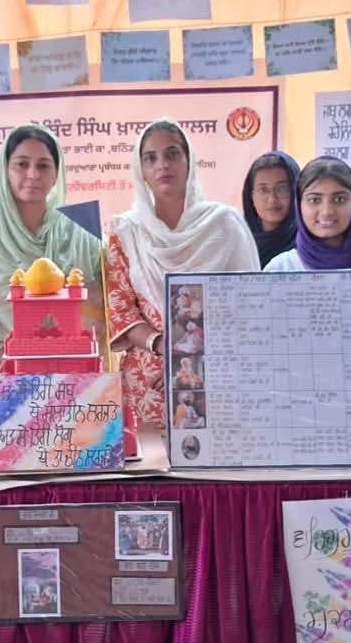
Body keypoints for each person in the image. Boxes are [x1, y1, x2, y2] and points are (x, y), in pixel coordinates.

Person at [106, 118, 260, 424]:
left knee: (214, 451)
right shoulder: (126, 231)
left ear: (189, 161)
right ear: (141, 171)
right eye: (150, 158)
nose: (162, 165)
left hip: (215, 373)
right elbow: (120, 311)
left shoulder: (223, 225)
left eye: (173, 154)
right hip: (149, 382)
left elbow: (247, 305)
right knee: (147, 455)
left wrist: (192, 357)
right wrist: (165, 347)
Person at [0, 124, 102, 372]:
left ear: (56, 174)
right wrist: (15, 361)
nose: (33, 174)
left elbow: (104, 309)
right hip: (8, 378)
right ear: (5, 170)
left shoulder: (81, 232)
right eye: (22, 165)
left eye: (43, 166)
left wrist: (66, 359)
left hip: (76, 376)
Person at [264, 157, 351, 271]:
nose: (327, 211)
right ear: (299, 205)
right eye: (314, 200)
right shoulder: (280, 269)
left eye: (339, 199)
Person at [241, 151, 300, 269]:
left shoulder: (309, 247)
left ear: (297, 192)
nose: (272, 199)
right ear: (251, 196)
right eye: (263, 190)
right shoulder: (238, 241)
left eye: (282, 188)